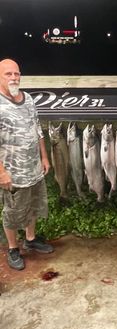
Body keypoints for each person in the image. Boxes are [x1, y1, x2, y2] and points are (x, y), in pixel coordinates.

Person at [0, 59, 54, 271]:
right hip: (12, 174)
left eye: (16, 73)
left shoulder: (29, 99)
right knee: (12, 211)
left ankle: (30, 238)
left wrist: (44, 157)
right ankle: (13, 248)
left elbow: (37, 129)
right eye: (8, 74)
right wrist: (1, 172)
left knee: (33, 204)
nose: (14, 78)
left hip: (34, 168)